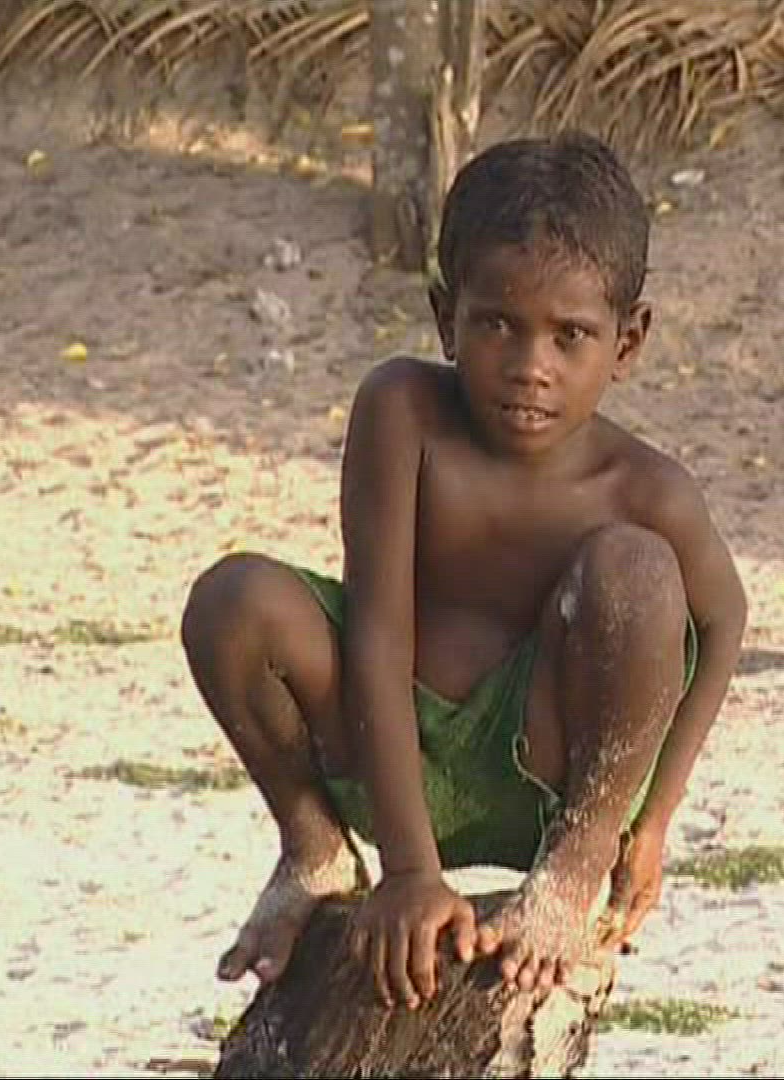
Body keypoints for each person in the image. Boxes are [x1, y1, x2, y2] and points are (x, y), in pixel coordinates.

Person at [180, 131, 748, 1010]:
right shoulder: (402, 412)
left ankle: (569, 878)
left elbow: (723, 621)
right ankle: (315, 849)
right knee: (233, 601)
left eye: (570, 336)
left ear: (628, 341)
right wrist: (409, 870)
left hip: (541, 780)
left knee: (638, 571)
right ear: (446, 316)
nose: (530, 367)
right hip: (383, 754)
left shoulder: (646, 489)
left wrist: (650, 821)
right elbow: (377, 630)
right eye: (496, 325)